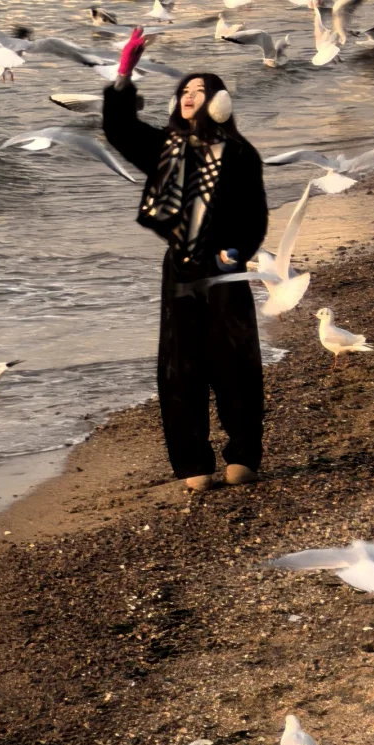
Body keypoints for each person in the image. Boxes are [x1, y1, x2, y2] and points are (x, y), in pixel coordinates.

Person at [102, 28, 268, 492]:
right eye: (184, 90)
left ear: (220, 102)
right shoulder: (164, 148)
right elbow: (118, 130)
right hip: (180, 269)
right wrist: (124, 74)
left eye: (200, 90)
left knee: (236, 363)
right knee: (180, 368)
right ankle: (194, 463)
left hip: (224, 270)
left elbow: (255, 215)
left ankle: (243, 454)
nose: (189, 95)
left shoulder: (240, 153)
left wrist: (238, 249)